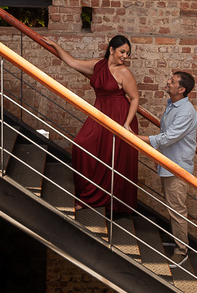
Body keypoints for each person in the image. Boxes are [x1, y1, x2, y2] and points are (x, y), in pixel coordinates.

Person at [49, 35, 140, 215]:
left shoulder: (123, 72)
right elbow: (73, 62)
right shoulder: (97, 65)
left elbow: (135, 98)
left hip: (119, 116)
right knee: (81, 144)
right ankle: (89, 193)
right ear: (111, 50)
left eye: (128, 53)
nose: (125, 56)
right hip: (100, 112)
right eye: (122, 51)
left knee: (112, 158)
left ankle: (98, 198)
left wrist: (126, 124)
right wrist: (55, 45)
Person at [139, 71, 197, 264]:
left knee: (177, 210)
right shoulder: (172, 105)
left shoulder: (186, 111)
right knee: (172, 208)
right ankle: (178, 243)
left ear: (181, 89)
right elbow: (166, 135)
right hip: (168, 163)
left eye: (172, 82)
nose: (167, 82)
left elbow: (169, 137)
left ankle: (182, 251)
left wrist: (138, 139)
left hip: (177, 168)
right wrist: (159, 156)